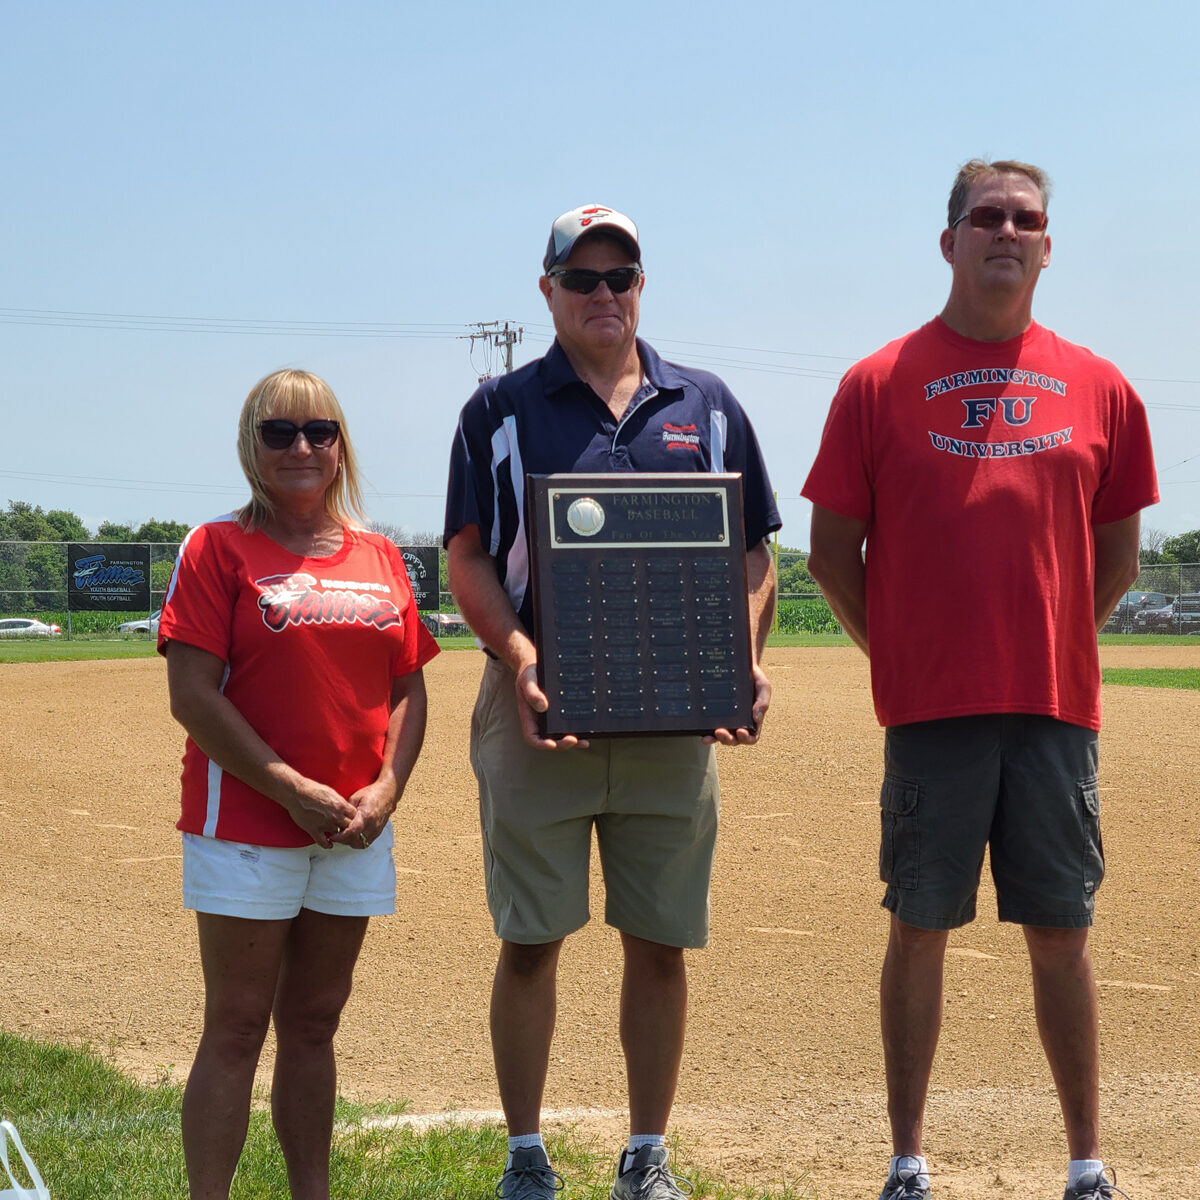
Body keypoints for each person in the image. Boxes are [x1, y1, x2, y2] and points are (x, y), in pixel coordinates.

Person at [802, 160, 1158, 1200]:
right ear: (948, 240)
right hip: (933, 714)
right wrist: (901, 652)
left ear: (1049, 246)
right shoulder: (877, 381)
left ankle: (1085, 1162)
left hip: (1055, 714)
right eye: (987, 217)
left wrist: (1057, 641)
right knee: (920, 927)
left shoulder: (1103, 386)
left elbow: (1120, 554)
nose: (1008, 231)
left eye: (1028, 220)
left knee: (1062, 930)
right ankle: (907, 1158)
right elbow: (832, 552)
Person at [444, 204, 780, 1199]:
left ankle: (647, 1155)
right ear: (545, 288)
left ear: (643, 285)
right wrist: (516, 654)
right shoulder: (498, 410)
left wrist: (743, 659)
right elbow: (466, 558)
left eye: (619, 276)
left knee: (661, 939)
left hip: (676, 718)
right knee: (532, 939)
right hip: (538, 709)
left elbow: (753, 554)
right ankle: (525, 1154)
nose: (602, 294)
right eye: (580, 277)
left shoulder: (706, 403)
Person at [159, 368, 438, 1200]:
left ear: (340, 444)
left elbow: (409, 685)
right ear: (251, 447)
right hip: (245, 821)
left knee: (314, 1025)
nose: (302, 447)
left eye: (319, 431)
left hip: (351, 828)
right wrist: (287, 787)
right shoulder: (217, 548)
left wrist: (388, 789)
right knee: (238, 1024)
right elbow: (191, 695)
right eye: (278, 432)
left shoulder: (379, 553)